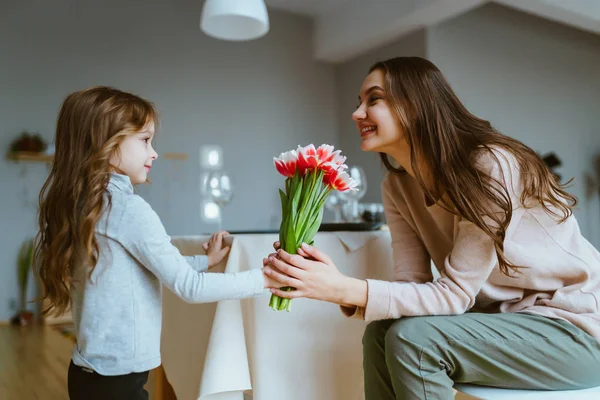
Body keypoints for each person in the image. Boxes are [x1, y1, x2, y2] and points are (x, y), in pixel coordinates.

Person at [263, 57, 600, 399]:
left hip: (575, 333)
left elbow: (453, 295)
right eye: (358, 103)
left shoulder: (489, 167)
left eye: (374, 99)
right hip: (503, 327)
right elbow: (413, 285)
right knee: (382, 332)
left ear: (415, 105)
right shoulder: (397, 187)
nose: (357, 113)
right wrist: (331, 280)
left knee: (415, 340)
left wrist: (342, 289)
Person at [34, 86, 279, 400]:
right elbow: (190, 286)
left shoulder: (89, 204)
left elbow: (146, 269)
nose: (154, 153)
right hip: (117, 381)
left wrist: (206, 260)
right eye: (145, 140)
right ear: (106, 144)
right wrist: (266, 279)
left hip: (90, 373)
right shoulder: (127, 209)